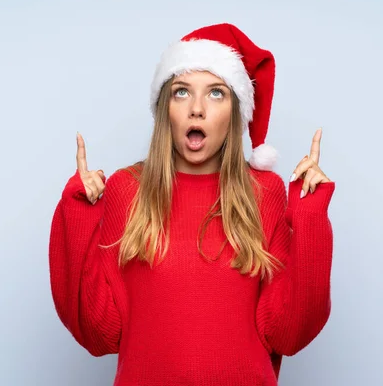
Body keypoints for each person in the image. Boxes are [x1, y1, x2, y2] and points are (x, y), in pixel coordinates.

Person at [49, 23, 335, 385]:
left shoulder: (264, 192)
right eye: (182, 92)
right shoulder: (127, 190)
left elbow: (288, 333)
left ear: (235, 112)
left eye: (216, 94)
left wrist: (310, 215)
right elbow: (98, 331)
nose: (197, 109)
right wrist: (78, 213)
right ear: (165, 107)